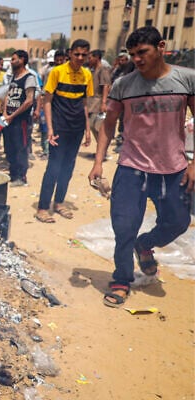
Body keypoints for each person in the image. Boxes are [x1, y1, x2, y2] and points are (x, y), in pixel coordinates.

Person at [88, 26, 194, 307]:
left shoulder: (187, 79)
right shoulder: (124, 85)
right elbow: (108, 126)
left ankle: (145, 244)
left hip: (173, 170)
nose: (137, 59)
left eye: (142, 52)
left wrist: (193, 164)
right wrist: (98, 162)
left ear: (161, 47)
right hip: (131, 168)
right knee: (124, 227)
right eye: (132, 54)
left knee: (178, 222)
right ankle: (122, 279)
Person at [35, 39, 93, 223]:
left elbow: (85, 103)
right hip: (59, 126)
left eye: (84, 54)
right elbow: (47, 100)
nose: (80, 58)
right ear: (70, 53)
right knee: (54, 166)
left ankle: (59, 203)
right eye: (77, 54)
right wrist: (50, 128)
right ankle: (42, 207)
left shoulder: (87, 74)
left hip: (76, 128)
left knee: (68, 167)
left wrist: (87, 128)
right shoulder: (56, 72)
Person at [1, 50, 37, 186]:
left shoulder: (29, 78)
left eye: (14, 59)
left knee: (20, 148)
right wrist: (5, 113)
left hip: (20, 121)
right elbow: (7, 95)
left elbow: (29, 101)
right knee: (9, 148)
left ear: (22, 60)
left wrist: (12, 116)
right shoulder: (13, 77)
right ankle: (13, 174)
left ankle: (21, 177)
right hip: (9, 119)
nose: (11, 62)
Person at [87, 49, 111, 158]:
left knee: (96, 127)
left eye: (90, 57)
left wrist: (104, 103)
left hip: (98, 102)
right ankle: (101, 151)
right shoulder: (93, 70)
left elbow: (106, 86)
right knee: (92, 126)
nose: (89, 60)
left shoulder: (103, 70)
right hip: (92, 102)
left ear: (97, 57)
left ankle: (103, 152)